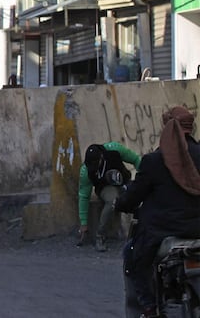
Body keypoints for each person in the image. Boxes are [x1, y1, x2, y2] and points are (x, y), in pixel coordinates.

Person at [114, 106, 200, 317]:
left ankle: (149, 308)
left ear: (167, 128)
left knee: (132, 255)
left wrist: (120, 203)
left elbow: (133, 196)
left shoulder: (153, 161)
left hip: (161, 232)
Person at [77, 141, 141, 252]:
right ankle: (100, 236)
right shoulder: (85, 171)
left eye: (96, 164)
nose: (94, 168)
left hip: (124, 182)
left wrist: (144, 178)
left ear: (101, 157)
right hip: (105, 187)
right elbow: (84, 196)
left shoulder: (115, 150)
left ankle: (143, 232)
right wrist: (83, 223)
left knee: (141, 195)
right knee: (112, 200)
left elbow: (135, 159)